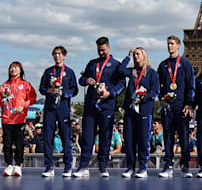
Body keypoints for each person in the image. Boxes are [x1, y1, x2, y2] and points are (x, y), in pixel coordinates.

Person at [73, 36, 124, 178]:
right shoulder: (91, 63)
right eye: (98, 50)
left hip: (107, 105)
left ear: (108, 47)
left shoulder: (116, 65)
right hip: (91, 105)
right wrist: (86, 80)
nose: (101, 52)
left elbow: (122, 84)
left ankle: (103, 167)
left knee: (105, 137)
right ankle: (83, 166)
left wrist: (110, 93)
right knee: (87, 137)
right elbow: (81, 80)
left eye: (103, 50)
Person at [116, 47, 159, 178]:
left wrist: (143, 97)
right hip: (130, 110)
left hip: (144, 109)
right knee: (129, 139)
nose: (136, 57)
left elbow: (155, 91)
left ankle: (142, 167)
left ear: (144, 56)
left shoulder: (151, 73)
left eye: (137, 54)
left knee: (143, 139)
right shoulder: (132, 72)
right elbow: (120, 70)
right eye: (134, 55)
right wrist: (127, 57)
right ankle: (130, 167)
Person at [156, 35, 195, 178]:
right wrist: (161, 98)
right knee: (168, 136)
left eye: (172, 44)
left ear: (179, 46)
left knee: (184, 136)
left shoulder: (185, 64)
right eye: (168, 44)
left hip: (181, 106)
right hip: (167, 106)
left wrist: (189, 104)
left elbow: (191, 85)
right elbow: (157, 85)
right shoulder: (163, 65)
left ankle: (185, 166)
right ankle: (168, 165)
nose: (169, 46)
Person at [39, 45, 79, 177]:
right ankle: (48, 167)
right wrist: (48, 91)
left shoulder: (69, 72)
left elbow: (75, 90)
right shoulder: (48, 71)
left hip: (63, 108)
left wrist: (64, 93)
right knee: (48, 137)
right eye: (55, 54)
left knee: (66, 137)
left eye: (59, 54)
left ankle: (68, 167)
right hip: (50, 108)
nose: (57, 56)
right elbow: (41, 88)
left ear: (64, 56)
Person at [0, 61, 37, 177]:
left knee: (19, 143)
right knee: (7, 144)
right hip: (6, 118)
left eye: (16, 67)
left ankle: (18, 165)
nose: (13, 69)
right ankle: (9, 165)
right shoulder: (5, 85)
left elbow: (33, 98)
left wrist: (23, 106)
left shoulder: (25, 84)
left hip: (19, 119)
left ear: (20, 70)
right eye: (11, 67)